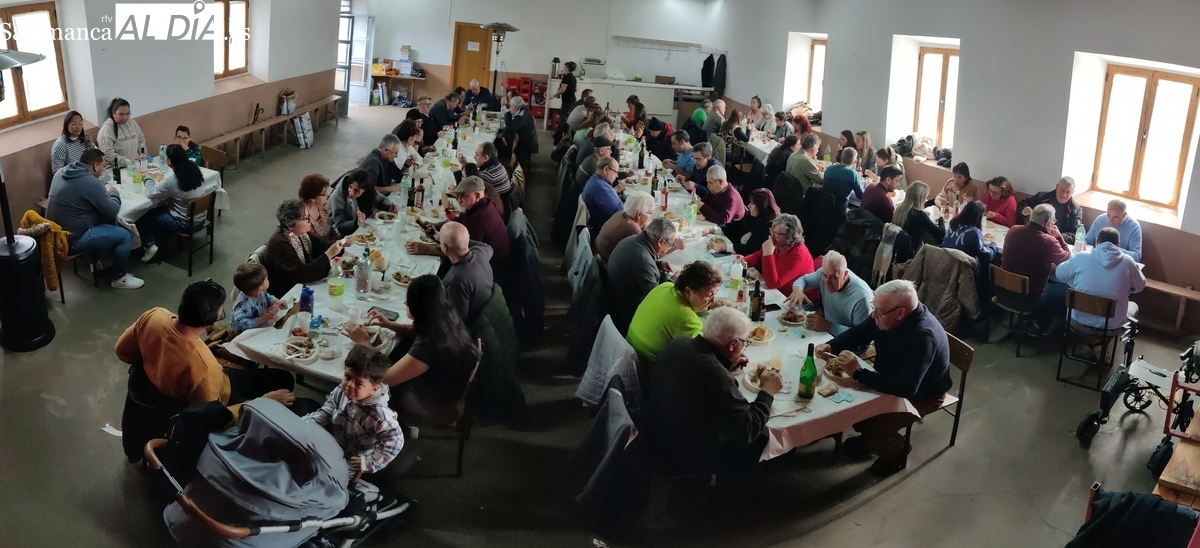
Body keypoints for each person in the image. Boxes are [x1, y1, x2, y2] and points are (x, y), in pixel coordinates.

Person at [815, 280, 951, 477]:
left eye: (878, 311)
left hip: (924, 394)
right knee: (857, 412)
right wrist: (832, 345)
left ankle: (896, 454)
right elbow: (860, 332)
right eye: (874, 308)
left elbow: (907, 388)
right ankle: (869, 441)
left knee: (874, 426)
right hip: (891, 376)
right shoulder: (886, 314)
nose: (873, 315)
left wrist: (859, 373)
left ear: (900, 312)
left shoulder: (923, 336)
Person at [115, 280, 296, 418]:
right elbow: (207, 418)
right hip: (221, 397)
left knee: (280, 378)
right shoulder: (206, 369)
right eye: (220, 313)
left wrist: (156, 358)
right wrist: (263, 402)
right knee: (284, 379)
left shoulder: (154, 315)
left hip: (172, 388)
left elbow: (122, 351)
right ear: (208, 324)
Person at [643, 307, 779, 475]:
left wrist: (724, 365)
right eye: (745, 342)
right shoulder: (717, 377)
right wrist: (768, 391)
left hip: (655, 434)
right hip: (683, 455)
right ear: (733, 344)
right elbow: (747, 429)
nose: (744, 346)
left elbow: (697, 376)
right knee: (771, 443)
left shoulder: (679, 342)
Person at [345, 275, 482, 423]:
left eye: (408, 300)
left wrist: (364, 342)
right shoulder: (444, 316)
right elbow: (416, 331)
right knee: (396, 351)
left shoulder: (428, 346)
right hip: (446, 385)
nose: (405, 302)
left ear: (418, 307)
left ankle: (385, 428)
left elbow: (384, 379)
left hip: (436, 406)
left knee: (366, 387)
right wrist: (390, 325)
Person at [46, 148, 143, 289]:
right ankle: (119, 278)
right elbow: (112, 210)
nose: (103, 169)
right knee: (124, 235)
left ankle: (96, 262)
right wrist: (113, 193)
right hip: (71, 240)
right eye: (103, 166)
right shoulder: (90, 182)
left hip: (55, 234)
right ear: (95, 166)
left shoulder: (62, 172)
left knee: (102, 220)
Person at [303, 345, 403, 474]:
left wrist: (370, 462)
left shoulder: (380, 416)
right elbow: (330, 407)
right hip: (336, 440)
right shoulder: (342, 390)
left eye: (358, 383)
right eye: (348, 377)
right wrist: (311, 421)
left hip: (356, 456)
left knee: (323, 474)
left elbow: (396, 441)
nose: (349, 385)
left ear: (374, 389)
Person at [409, 176, 509, 278]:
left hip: (487, 270)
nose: (458, 199)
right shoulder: (480, 205)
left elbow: (459, 251)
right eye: (457, 195)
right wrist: (436, 225)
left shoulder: (479, 219)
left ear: (477, 195)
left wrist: (426, 249)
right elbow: (458, 222)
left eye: (463, 196)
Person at [626, 261, 723, 364]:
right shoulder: (686, 319)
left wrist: (706, 306)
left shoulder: (665, 287)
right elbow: (703, 357)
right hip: (646, 367)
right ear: (688, 291)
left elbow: (676, 309)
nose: (713, 300)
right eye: (709, 295)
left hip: (630, 352)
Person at [1056, 227, 1147, 330]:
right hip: (1111, 325)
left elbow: (1060, 274)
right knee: (1133, 306)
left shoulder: (1080, 257)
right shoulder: (1128, 262)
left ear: (1096, 242)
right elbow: (1140, 286)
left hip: (1078, 320)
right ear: (1118, 244)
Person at [1000, 204, 1072, 332]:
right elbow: (1066, 258)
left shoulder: (1013, 229)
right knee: (1065, 286)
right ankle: (1041, 325)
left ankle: (1026, 320)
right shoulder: (1049, 240)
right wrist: (1059, 237)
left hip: (1003, 291)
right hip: (1028, 299)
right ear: (1048, 223)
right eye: (1053, 221)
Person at [607, 218, 680, 334]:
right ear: (660, 241)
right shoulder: (642, 259)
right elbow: (657, 299)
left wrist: (658, 264)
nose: (668, 249)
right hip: (626, 313)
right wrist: (674, 279)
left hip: (615, 297)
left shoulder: (632, 240)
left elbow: (638, 264)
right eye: (670, 245)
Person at [136, 144, 207, 263]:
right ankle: (163, 240)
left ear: (168, 161)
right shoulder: (194, 170)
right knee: (162, 208)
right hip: (200, 218)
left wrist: (148, 177)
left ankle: (150, 246)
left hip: (186, 224)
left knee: (146, 216)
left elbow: (150, 192)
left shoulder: (173, 181)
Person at [263, 199, 347, 299]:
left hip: (304, 283)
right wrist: (329, 254)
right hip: (287, 294)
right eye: (306, 218)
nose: (310, 221)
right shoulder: (280, 244)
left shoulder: (299, 232)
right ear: (290, 225)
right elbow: (302, 274)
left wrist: (340, 243)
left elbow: (320, 246)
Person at [787, 251, 874, 335]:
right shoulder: (824, 272)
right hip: (826, 329)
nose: (827, 283)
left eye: (834, 277)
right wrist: (797, 290)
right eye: (825, 276)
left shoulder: (862, 297)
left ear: (845, 274)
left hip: (848, 343)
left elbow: (863, 336)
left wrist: (829, 326)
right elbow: (803, 280)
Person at [742, 214, 814, 296]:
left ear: (789, 236)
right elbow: (758, 256)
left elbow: (773, 283)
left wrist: (768, 253)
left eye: (776, 233)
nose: (772, 236)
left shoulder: (798, 254)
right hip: (776, 292)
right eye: (772, 231)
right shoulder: (779, 244)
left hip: (792, 299)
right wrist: (742, 263)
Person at [437, 222, 493, 325]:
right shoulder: (481, 254)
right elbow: (489, 247)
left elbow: (455, 323)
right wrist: (458, 241)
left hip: (470, 327)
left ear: (444, 247)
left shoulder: (457, 281)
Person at [942, 200, 997, 291]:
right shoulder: (974, 232)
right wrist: (993, 244)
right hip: (965, 270)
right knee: (986, 265)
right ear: (978, 217)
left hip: (947, 266)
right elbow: (987, 255)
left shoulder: (952, 225)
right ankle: (984, 298)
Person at [707, 188, 780, 256]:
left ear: (761, 206)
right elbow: (735, 226)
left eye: (752, 203)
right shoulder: (753, 216)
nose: (748, 206)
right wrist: (712, 229)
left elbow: (751, 249)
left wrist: (724, 247)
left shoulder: (768, 227)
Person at [595, 191, 655, 263]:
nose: (651, 216)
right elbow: (649, 252)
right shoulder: (631, 228)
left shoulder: (621, 214)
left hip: (597, 253)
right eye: (650, 212)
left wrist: (644, 224)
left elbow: (642, 227)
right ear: (639, 215)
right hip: (606, 264)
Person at [1019, 176, 1083, 244]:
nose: (1064, 194)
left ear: (1072, 192)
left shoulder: (1076, 210)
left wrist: (1060, 235)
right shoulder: (1042, 197)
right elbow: (1022, 204)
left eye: (1068, 192)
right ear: (1057, 186)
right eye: (1062, 190)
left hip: (1055, 242)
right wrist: (1023, 209)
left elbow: (1076, 235)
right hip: (1033, 236)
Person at [231, 263, 287, 335]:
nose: (268, 279)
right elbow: (241, 323)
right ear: (259, 289)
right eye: (266, 279)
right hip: (244, 333)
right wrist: (263, 319)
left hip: (259, 323)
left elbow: (267, 296)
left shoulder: (259, 292)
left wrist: (276, 301)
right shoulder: (243, 304)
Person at [893, 181, 944, 259]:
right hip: (914, 253)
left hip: (899, 250)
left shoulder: (900, 208)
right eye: (925, 198)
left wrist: (933, 202)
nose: (925, 200)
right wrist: (941, 218)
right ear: (921, 198)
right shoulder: (920, 215)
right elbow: (940, 234)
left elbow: (916, 207)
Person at [98, 97, 147, 169]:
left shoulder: (132, 123)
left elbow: (141, 140)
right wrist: (127, 162)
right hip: (117, 169)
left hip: (135, 166)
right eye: (121, 114)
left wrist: (143, 155)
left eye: (128, 114)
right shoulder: (107, 129)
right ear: (113, 113)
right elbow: (108, 154)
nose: (125, 118)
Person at [582, 156, 626, 233]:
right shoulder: (599, 188)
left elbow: (611, 197)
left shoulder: (598, 180)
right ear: (606, 169)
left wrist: (624, 198)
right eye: (615, 172)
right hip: (609, 228)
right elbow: (619, 214)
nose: (617, 176)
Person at [358, 134, 405, 199]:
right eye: (395, 153)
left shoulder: (388, 159)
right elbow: (369, 189)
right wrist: (392, 188)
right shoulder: (373, 163)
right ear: (385, 151)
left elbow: (399, 176)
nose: (396, 156)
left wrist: (407, 165)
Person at [822, 148, 866, 214]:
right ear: (855, 161)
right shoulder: (853, 174)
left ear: (841, 157)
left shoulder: (829, 168)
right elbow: (861, 195)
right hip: (840, 211)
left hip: (823, 206)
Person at [329, 169, 370, 236]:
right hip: (335, 230)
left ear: (364, 190)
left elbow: (380, 199)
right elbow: (340, 226)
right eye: (350, 187)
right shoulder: (337, 196)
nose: (351, 192)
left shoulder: (368, 191)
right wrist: (357, 222)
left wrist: (389, 206)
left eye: (356, 190)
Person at [501, 96, 535, 164]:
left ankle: (501, 158)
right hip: (521, 140)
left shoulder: (521, 115)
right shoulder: (524, 110)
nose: (510, 108)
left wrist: (507, 114)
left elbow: (511, 127)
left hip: (519, 147)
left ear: (516, 107)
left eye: (511, 107)